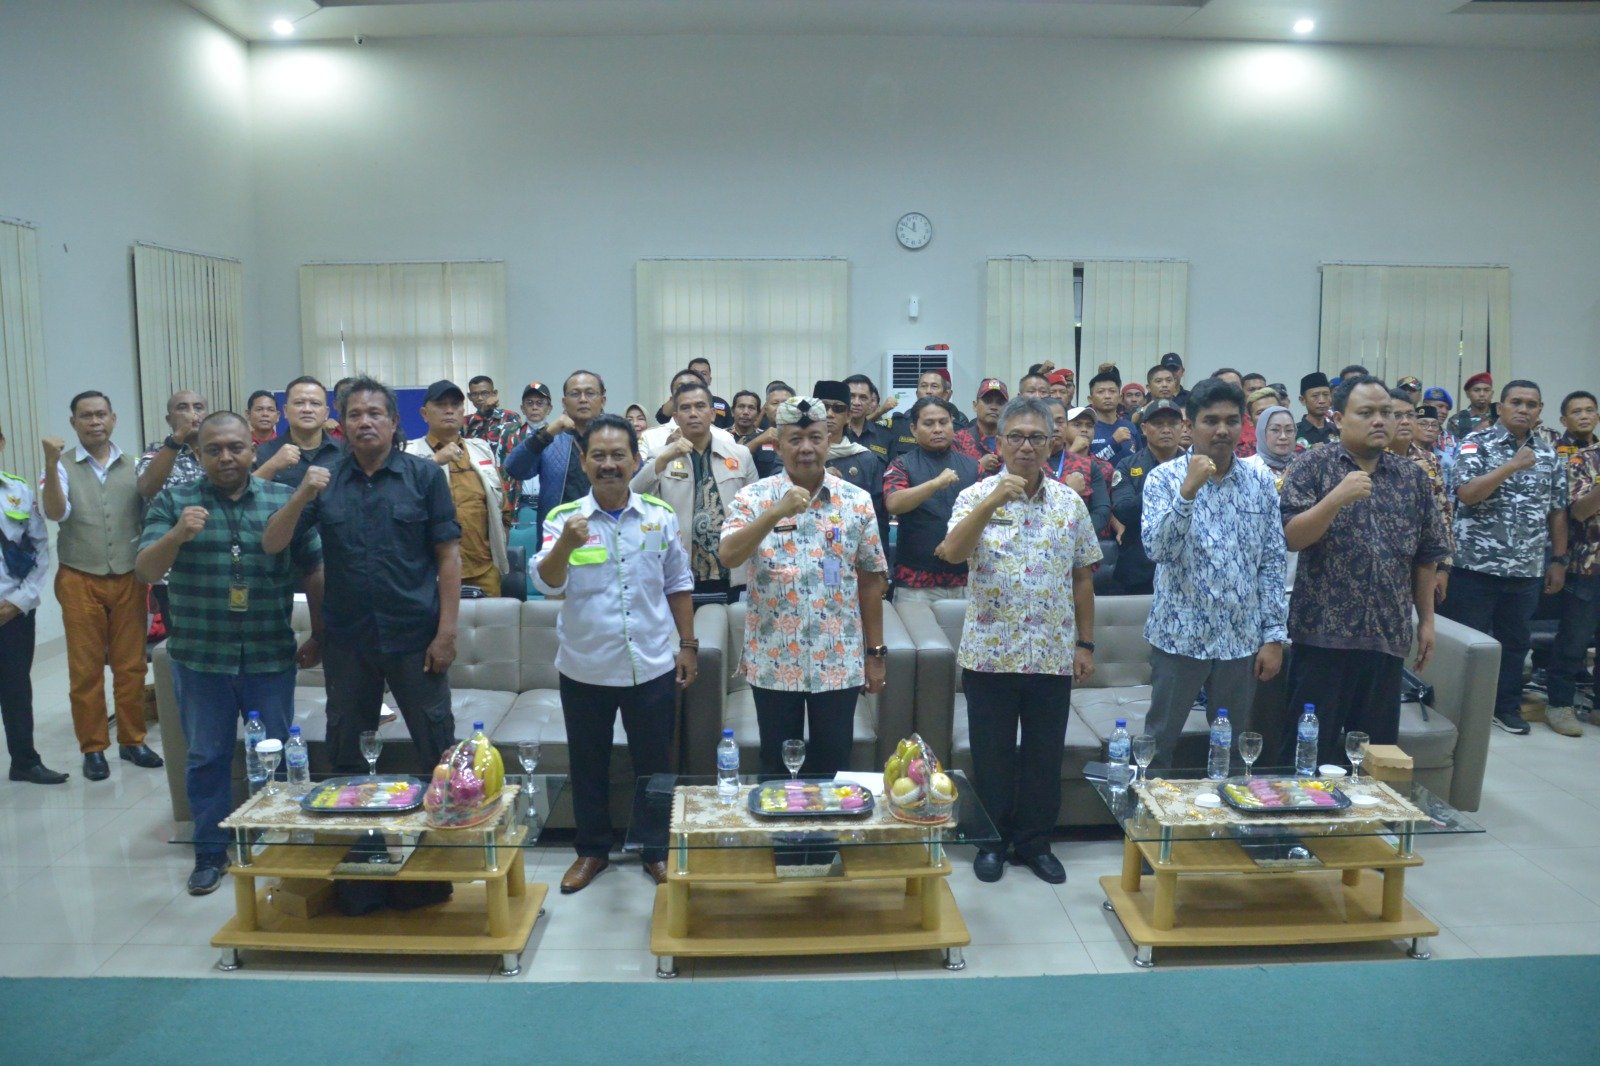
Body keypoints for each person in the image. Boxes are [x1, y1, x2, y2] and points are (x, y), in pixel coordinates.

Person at [136, 412, 324, 894]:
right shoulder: (174, 501)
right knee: (206, 757)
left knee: (275, 755)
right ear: (198, 455)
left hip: (268, 654)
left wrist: (320, 633)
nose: (226, 457)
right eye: (214, 449)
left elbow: (314, 569)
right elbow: (145, 571)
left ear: (253, 450)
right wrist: (177, 535)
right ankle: (210, 853)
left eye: (235, 447)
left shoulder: (283, 499)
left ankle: (275, 844)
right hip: (201, 657)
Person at [263, 376, 463, 775]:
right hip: (347, 642)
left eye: (374, 413)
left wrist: (446, 635)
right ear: (342, 424)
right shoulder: (325, 478)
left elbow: (449, 556)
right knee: (347, 756)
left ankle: (442, 815)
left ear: (393, 421)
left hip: (415, 637)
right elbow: (273, 542)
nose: (364, 422)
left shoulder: (424, 476)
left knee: (437, 750)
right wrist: (302, 493)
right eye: (354, 415)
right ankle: (359, 818)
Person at [936, 397, 1099, 884]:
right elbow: (951, 553)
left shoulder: (1069, 503)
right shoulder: (974, 496)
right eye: (1016, 437)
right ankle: (990, 843)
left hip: (1051, 654)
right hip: (990, 655)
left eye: (1036, 438)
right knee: (992, 758)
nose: (1026, 446)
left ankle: (1034, 843)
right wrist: (992, 502)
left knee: (1044, 758)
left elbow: (1082, 578)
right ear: (999, 443)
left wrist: (1085, 644)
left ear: (1052, 443)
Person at [533, 414, 697, 893]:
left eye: (618, 455)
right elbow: (548, 584)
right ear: (584, 462)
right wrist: (567, 544)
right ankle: (591, 851)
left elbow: (678, 583)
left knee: (655, 767)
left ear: (636, 460)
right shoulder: (563, 519)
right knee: (588, 764)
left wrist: (687, 645)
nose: (609, 464)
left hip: (651, 662)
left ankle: (655, 850)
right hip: (586, 666)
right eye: (599, 456)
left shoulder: (658, 516)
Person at [1281, 375, 1449, 763]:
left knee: (1376, 758)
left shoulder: (1412, 478)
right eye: (1367, 412)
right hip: (1322, 637)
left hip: (1386, 636)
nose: (1380, 421)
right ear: (1339, 418)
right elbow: (1291, 537)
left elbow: (1426, 556)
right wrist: (1335, 499)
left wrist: (1426, 621)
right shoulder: (1312, 466)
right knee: (1306, 756)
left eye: (1387, 412)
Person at [719, 394, 888, 778]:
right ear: (778, 447)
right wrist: (775, 512)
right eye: (795, 439)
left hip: (838, 657)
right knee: (777, 767)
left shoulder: (856, 501)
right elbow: (728, 556)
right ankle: (782, 820)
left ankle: (827, 822)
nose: (806, 448)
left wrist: (875, 654)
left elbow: (869, 582)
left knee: (834, 766)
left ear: (829, 441)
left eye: (815, 437)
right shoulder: (753, 497)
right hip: (774, 657)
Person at [1140, 379, 1286, 768]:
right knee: (1158, 744)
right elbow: (1158, 550)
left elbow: (1272, 561)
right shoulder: (1163, 479)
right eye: (1211, 421)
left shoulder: (1260, 481)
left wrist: (1273, 636)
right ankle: (1150, 807)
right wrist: (1187, 493)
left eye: (1231, 420)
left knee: (1233, 751)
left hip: (1240, 638)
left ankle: (1225, 808)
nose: (1222, 430)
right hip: (1179, 636)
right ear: (1190, 425)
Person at [40, 391, 161, 780]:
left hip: (128, 575)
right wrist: (50, 461)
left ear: (113, 419)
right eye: (86, 416)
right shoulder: (61, 466)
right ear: (73, 422)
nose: (94, 421)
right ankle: (93, 748)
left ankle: (132, 740)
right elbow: (55, 512)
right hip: (79, 576)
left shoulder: (136, 465)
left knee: (131, 665)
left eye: (101, 414)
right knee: (85, 669)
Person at [1442, 379, 1570, 734]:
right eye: (1516, 402)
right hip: (1474, 567)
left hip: (1526, 569)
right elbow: (1467, 494)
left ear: (1540, 410)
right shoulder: (1475, 444)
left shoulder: (1549, 455)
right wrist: (1511, 466)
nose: (1524, 409)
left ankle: (1505, 708)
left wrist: (1558, 560)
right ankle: (1454, 709)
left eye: (1531, 404)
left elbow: (1558, 511)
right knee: (1465, 643)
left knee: (1515, 645)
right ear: (1500, 407)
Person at [630, 380, 756, 599]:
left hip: (732, 571)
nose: (693, 413)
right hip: (679, 574)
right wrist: (666, 456)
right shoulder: (660, 455)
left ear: (712, 414)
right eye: (685, 408)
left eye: (700, 406)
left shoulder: (740, 454)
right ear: (676, 417)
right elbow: (633, 494)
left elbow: (756, 509)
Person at [0, 418, 68, 784]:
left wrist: (20, 601)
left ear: (1, 443)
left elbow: (41, 549)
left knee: (15, 689)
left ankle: (24, 762)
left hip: (11, 611)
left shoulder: (18, 491)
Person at [404, 380, 508, 596]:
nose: (449, 410)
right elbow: (400, 499)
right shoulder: (408, 453)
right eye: (441, 405)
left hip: (483, 569)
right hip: (429, 572)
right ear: (424, 414)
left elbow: (502, 508)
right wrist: (435, 461)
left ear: (463, 411)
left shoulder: (481, 449)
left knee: (492, 619)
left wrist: (498, 549)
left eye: (455, 404)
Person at [884, 398, 979, 601]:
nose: (937, 429)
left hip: (965, 580)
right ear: (913, 429)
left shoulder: (974, 467)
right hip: (915, 582)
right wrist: (935, 484)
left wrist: (954, 543)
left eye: (943, 422)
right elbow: (893, 503)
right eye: (928, 424)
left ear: (952, 424)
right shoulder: (901, 464)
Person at [1544, 392, 1600, 737]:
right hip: (1586, 565)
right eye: (1576, 411)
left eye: (1590, 410)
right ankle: (1559, 704)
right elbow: (1578, 511)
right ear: (1564, 419)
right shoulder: (1575, 458)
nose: (1584, 415)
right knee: (1574, 641)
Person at [503, 370, 607, 530]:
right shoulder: (550, 439)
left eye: (590, 393)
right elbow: (514, 469)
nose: (583, 399)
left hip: (605, 529)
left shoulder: (615, 437)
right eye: (575, 394)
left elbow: (634, 482)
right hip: (557, 533)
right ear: (564, 402)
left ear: (603, 400)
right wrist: (547, 433)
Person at [1110, 398, 1184, 595]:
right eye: (1158, 424)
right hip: (1138, 568)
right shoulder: (1127, 465)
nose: (1166, 430)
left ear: (1183, 427)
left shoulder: (1195, 466)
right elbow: (1123, 510)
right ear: (1143, 428)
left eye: (1173, 424)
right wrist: (1165, 484)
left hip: (1186, 566)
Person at [1389, 395, 1454, 606]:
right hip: (1384, 563)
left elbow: (1442, 513)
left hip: (1422, 563)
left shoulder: (1428, 459)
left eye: (1410, 415)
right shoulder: (1371, 458)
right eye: (1397, 415)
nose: (1405, 421)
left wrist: (1443, 567)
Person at [817, 380, 890, 548]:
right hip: (807, 545)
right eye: (824, 407)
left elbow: (876, 515)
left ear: (848, 416)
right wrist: (816, 476)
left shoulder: (865, 458)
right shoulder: (795, 455)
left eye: (838, 409)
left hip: (852, 545)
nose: (829, 414)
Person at [254, 376, 345, 490]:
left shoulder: (345, 452)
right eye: (299, 403)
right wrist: (272, 466)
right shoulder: (264, 453)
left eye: (315, 403)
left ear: (326, 413)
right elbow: (245, 495)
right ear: (285, 411)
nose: (307, 409)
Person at [1043, 399, 1111, 534]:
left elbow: (1102, 512)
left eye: (1060, 422)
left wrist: (1072, 534)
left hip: (1079, 540)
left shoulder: (1088, 466)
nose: (1055, 427)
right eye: (1048, 421)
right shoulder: (1024, 464)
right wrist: (1069, 491)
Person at [495, 380, 552, 528]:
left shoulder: (557, 435)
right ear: (522, 408)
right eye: (529, 403)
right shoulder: (509, 434)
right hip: (519, 502)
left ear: (549, 409)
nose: (534, 407)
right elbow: (501, 470)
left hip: (548, 501)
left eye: (540, 403)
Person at [136, 389, 208, 500]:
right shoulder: (156, 450)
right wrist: (178, 437)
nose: (192, 413)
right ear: (169, 420)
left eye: (198, 408)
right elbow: (146, 488)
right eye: (182, 408)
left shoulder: (219, 451)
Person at [954, 379, 1008, 478]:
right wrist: (978, 465)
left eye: (1000, 402)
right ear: (975, 406)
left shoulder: (1013, 440)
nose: (994, 407)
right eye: (988, 401)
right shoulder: (959, 439)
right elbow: (951, 476)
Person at [1086, 371, 1140, 465]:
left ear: (1120, 398)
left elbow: (1140, 460)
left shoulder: (1130, 426)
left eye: (1112, 391)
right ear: (1091, 399)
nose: (1107, 396)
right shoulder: (1086, 429)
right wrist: (1113, 442)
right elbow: (1086, 466)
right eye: (1100, 392)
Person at [1243, 405, 1300, 492]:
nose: (1283, 436)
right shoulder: (1247, 468)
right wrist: (1279, 486)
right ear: (1262, 432)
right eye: (1275, 430)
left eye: (1289, 430)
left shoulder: (1303, 464)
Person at [462, 375, 523, 450]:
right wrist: (483, 411)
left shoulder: (509, 416)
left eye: (484, 393)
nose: (479, 398)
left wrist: (486, 412)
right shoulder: (465, 421)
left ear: (494, 393)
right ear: (469, 397)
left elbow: (511, 444)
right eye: (474, 394)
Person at [843, 374, 894, 461]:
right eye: (851, 396)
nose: (856, 402)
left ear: (870, 401)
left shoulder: (885, 436)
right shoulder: (832, 434)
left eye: (863, 397)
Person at [685, 357, 733, 429]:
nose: (699, 376)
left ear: (710, 380)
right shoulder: (680, 403)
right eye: (695, 373)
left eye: (703, 373)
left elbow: (729, 430)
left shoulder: (722, 404)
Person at [1449, 373, 1495, 442]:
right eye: (1476, 390)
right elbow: (1452, 447)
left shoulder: (1501, 416)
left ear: (1492, 393)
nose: (1482, 394)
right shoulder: (1456, 420)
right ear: (1468, 394)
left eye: (1486, 390)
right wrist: (1474, 432)